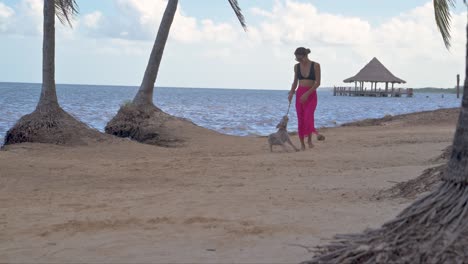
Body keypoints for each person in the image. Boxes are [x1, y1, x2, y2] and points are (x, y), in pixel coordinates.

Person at [288, 47, 321, 150]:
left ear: (305, 56)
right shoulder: (296, 67)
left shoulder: (316, 65)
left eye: (300, 58)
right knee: (301, 119)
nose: (299, 61)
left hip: (311, 94)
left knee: (308, 116)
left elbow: (318, 83)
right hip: (299, 94)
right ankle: (302, 144)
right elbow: (295, 82)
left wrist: (307, 94)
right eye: (297, 59)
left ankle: (310, 140)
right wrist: (291, 92)